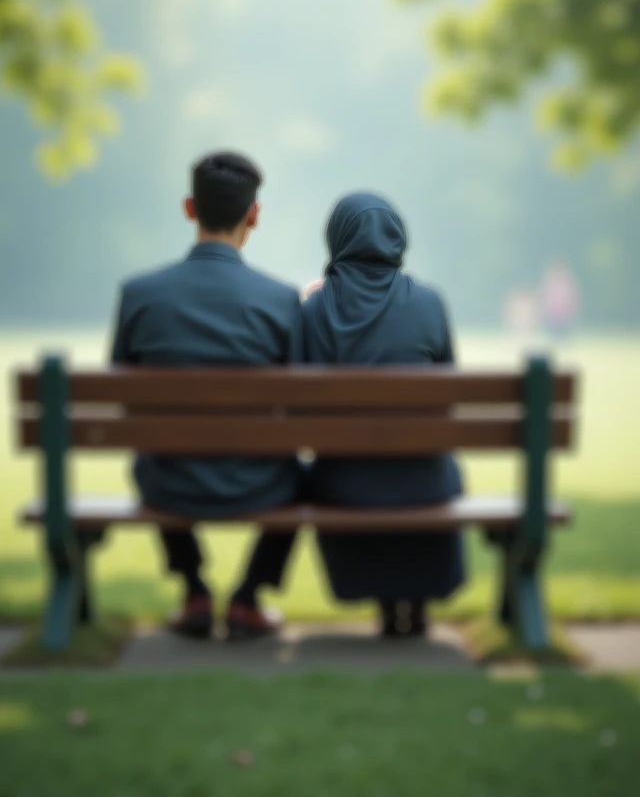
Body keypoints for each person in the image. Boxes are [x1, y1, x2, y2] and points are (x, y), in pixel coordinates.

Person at [111, 152, 305, 640]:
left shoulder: (139, 293)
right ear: (254, 215)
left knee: (150, 452)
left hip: (168, 483)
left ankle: (195, 590)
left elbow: (123, 399)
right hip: (261, 483)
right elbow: (302, 407)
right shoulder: (282, 299)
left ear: (188, 208)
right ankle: (248, 597)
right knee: (304, 477)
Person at [303, 192, 465, 637]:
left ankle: (386, 602)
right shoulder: (430, 303)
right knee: (431, 470)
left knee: (352, 473)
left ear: (336, 237)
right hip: (425, 481)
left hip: (344, 485)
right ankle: (415, 599)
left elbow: (299, 409)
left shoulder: (316, 309)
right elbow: (448, 402)